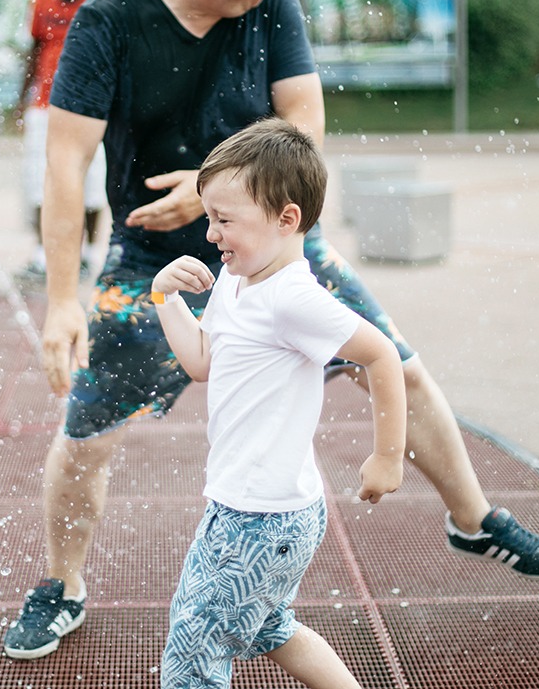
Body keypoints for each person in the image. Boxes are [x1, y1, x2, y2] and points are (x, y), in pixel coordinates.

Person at [2, 0, 539, 662]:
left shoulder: (272, 7)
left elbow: (304, 127)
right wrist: (63, 295)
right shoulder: (110, 23)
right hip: (152, 265)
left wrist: (209, 192)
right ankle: (61, 587)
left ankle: (474, 521)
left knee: (398, 366)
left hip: (274, 250)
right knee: (88, 433)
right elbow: (66, 166)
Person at [153, 119, 406, 688]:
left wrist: (387, 457)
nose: (212, 233)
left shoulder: (293, 298)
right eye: (209, 217)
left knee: (195, 649)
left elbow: (382, 355)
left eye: (224, 220)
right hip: (256, 505)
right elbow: (202, 363)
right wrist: (165, 297)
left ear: (286, 218)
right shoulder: (237, 280)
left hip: (260, 517)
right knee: (268, 626)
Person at [14, 0, 106, 284]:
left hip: (90, 107)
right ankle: (42, 253)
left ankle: (88, 253)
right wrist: (20, 99)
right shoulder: (42, 1)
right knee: (40, 181)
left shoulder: (99, 1)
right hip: (46, 105)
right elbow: (33, 51)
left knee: (92, 181)